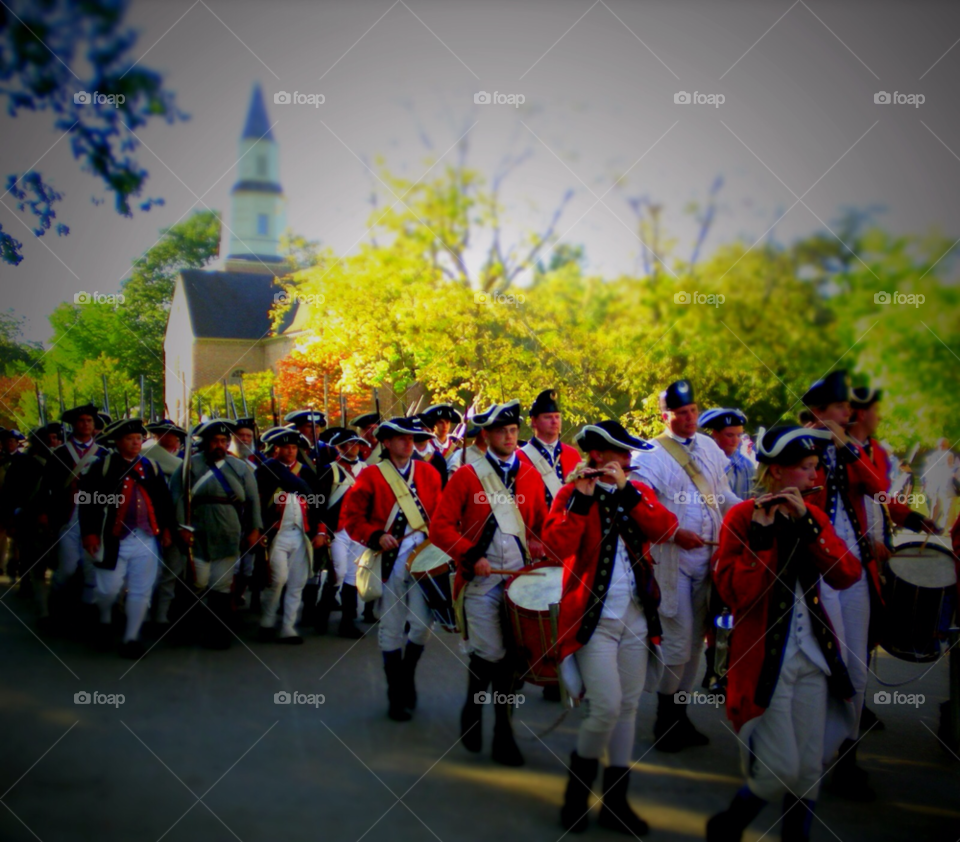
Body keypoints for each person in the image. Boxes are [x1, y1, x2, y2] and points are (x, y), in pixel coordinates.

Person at [709, 425, 862, 842]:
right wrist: (761, 538)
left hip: (814, 657)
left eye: (815, 467)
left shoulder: (812, 515)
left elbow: (847, 574)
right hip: (765, 661)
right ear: (776, 471)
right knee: (780, 768)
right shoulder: (742, 517)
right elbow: (736, 595)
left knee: (809, 767)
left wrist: (809, 526)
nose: (815, 476)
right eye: (806, 467)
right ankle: (726, 827)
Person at [544, 421, 678, 835]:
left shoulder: (637, 491)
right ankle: (575, 797)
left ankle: (616, 803)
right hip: (594, 619)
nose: (628, 459)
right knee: (605, 707)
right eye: (621, 453)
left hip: (637, 615)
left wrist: (627, 493)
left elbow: (665, 528)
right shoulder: (571, 493)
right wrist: (581, 502)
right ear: (598, 455)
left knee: (629, 707)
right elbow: (556, 546)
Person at [430, 400, 549, 766]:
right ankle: (482, 714)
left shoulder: (530, 475)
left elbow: (539, 525)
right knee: (492, 655)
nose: (510, 437)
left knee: (512, 660)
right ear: (487, 435)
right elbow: (440, 528)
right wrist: (470, 555)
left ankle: (499, 729)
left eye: (513, 431)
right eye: (502, 432)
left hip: (518, 581)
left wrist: (538, 543)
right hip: (481, 582)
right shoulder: (468, 475)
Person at [630, 379, 740, 751]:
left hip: (708, 559)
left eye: (693, 410)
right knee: (677, 644)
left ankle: (680, 715)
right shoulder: (649, 455)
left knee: (695, 645)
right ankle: (665, 721)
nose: (690, 418)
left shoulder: (708, 447)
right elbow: (641, 505)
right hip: (671, 562)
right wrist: (674, 532)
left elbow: (723, 496)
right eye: (681, 412)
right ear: (666, 416)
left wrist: (748, 512)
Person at [801, 370, 886, 800]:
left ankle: (847, 757)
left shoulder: (854, 448)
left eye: (849, 406)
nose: (848, 412)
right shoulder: (799, 448)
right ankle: (808, 756)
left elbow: (878, 487)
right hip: (817, 568)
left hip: (854, 570)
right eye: (839, 407)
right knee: (821, 665)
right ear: (820, 411)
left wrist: (847, 448)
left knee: (856, 668)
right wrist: (818, 446)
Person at [341, 416, 443, 721]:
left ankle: (406, 674)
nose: (408, 443)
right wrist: (375, 535)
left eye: (411, 438)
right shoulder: (371, 475)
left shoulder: (428, 473)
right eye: (401, 438)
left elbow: (440, 516)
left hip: (424, 560)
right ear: (386, 442)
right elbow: (352, 518)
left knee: (423, 626)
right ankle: (395, 692)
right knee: (392, 626)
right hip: (390, 561)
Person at [78, 418, 177, 658]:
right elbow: (88, 503)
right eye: (130, 439)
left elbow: (164, 502)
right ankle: (104, 617)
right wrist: (90, 533)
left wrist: (167, 529)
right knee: (108, 590)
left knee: (141, 590)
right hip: (112, 539)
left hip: (145, 537)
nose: (135, 443)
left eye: (138, 438)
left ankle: (131, 637)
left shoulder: (151, 467)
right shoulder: (101, 467)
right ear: (118, 442)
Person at [172, 419, 262, 649]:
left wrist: (254, 529)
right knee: (197, 580)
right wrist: (182, 527)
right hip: (197, 530)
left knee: (222, 584)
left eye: (223, 441)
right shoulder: (189, 465)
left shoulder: (240, 467)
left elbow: (253, 501)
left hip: (229, 531)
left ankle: (219, 633)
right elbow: (178, 497)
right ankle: (185, 628)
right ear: (206, 443)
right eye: (215, 441)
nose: (219, 445)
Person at [256, 427, 331, 644]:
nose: (290, 451)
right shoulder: (266, 471)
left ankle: (288, 627)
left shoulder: (306, 473)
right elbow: (257, 503)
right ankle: (267, 621)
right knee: (277, 579)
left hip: (301, 535)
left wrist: (321, 531)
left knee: (297, 582)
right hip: (276, 534)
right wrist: (258, 530)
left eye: (294, 447)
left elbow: (318, 504)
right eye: (286, 447)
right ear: (276, 449)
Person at [40, 403, 111, 632]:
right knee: (67, 568)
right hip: (68, 515)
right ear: (73, 425)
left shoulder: (104, 454)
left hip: (94, 514)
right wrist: (46, 512)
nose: (86, 424)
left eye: (89, 421)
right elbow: (48, 486)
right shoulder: (60, 453)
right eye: (81, 421)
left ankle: (87, 615)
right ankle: (55, 609)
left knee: (92, 568)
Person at [312, 426, 366, 639]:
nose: (354, 447)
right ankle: (322, 614)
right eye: (349, 444)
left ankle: (348, 621)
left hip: (358, 530)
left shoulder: (366, 469)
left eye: (356, 443)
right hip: (336, 530)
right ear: (340, 447)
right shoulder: (329, 470)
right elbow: (319, 503)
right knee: (338, 573)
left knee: (353, 576)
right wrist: (321, 530)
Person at [517, 388, 582, 509]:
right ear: (534, 421)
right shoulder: (519, 457)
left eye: (557, 417)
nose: (554, 421)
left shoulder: (572, 454)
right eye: (548, 417)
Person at [699, 408, 755, 500]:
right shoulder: (702, 461)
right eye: (729, 435)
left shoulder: (747, 465)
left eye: (739, 435)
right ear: (715, 434)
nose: (735, 440)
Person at [923, 438, 958, 529]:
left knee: (948, 506)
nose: (942, 447)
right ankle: (934, 525)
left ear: (947, 445)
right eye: (940, 445)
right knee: (937, 504)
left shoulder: (948, 455)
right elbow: (930, 471)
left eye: (944, 445)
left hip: (946, 485)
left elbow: (950, 468)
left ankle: (948, 527)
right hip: (937, 484)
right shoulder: (934, 456)